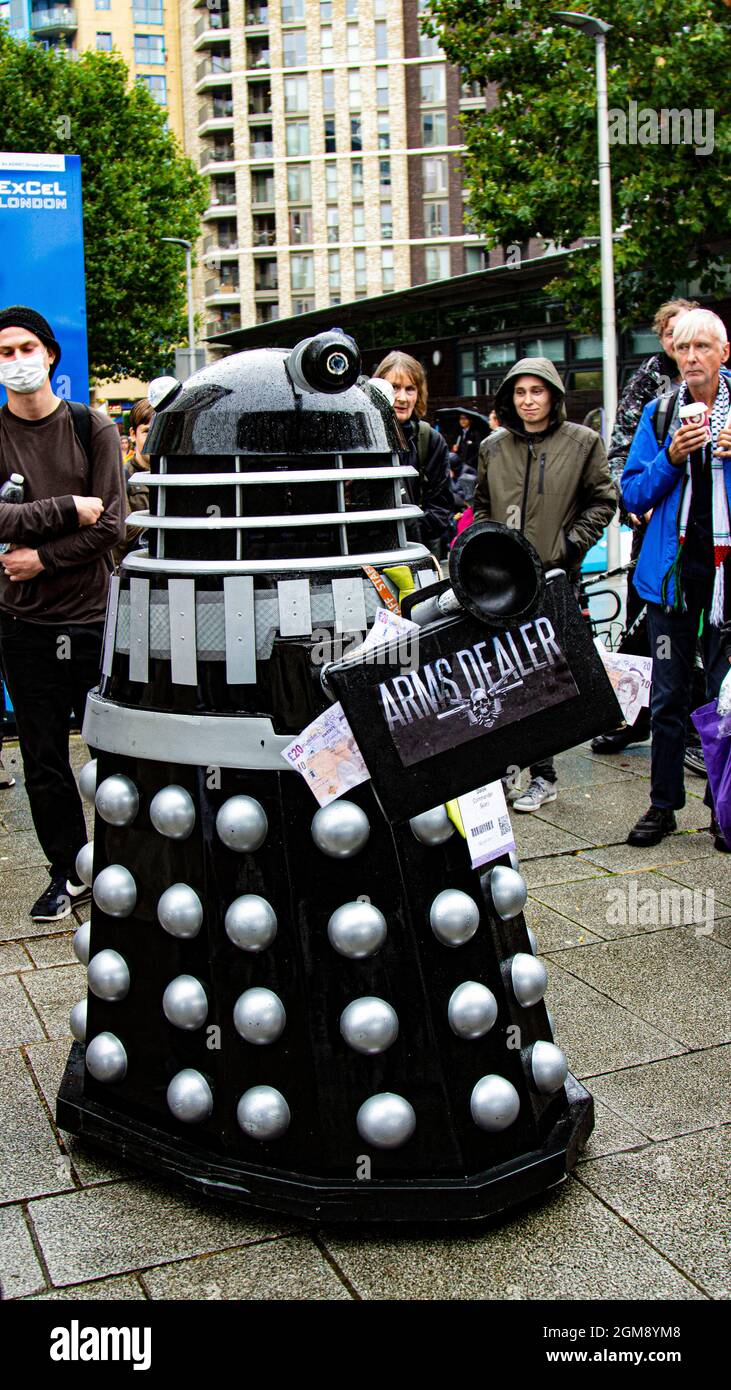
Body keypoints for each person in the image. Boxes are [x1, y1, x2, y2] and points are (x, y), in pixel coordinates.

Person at [0, 305, 125, 919]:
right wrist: (66, 508)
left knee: (109, 747)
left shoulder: (90, 427)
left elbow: (112, 525)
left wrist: (41, 560)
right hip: (21, 623)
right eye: (5, 353)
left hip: (90, 617)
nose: (18, 362)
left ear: (50, 354)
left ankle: (124, 860)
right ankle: (66, 870)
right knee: (42, 757)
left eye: (27, 348)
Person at [473, 356, 616, 811]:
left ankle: (545, 775)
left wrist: (570, 547)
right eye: (520, 392)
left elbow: (603, 499)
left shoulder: (582, 443)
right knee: (498, 678)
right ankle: (502, 773)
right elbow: (479, 504)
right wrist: (484, 549)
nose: (528, 400)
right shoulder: (493, 447)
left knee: (542, 679)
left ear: (553, 395)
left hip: (553, 579)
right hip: (498, 584)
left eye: (537, 391)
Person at [621, 307, 731, 850]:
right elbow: (633, 492)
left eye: (702, 348)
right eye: (682, 349)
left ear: (723, 353)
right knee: (667, 699)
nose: (691, 358)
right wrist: (669, 457)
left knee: (725, 698)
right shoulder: (661, 414)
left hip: (726, 583)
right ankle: (663, 805)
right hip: (672, 583)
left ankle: (722, 806)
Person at [592, 297, 697, 755]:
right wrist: (637, 508)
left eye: (689, 335)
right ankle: (634, 717)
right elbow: (619, 456)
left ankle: (697, 720)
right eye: (672, 334)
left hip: (707, 536)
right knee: (643, 630)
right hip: (655, 531)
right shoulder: (649, 387)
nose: (682, 345)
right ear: (663, 339)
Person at [373, 351, 453, 555]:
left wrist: (412, 531)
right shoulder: (362, 439)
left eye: (410, 389)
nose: (402, 398)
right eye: (394, 388)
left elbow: (441, 507)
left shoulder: (430, 439)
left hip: (418, 552)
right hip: (370, 553)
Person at [114, 398, 153, 565]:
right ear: (132, 434)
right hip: (134, 574)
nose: (154, 438)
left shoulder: (175, 476)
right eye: (147, 431)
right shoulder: (122, 476)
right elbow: (126, 532)